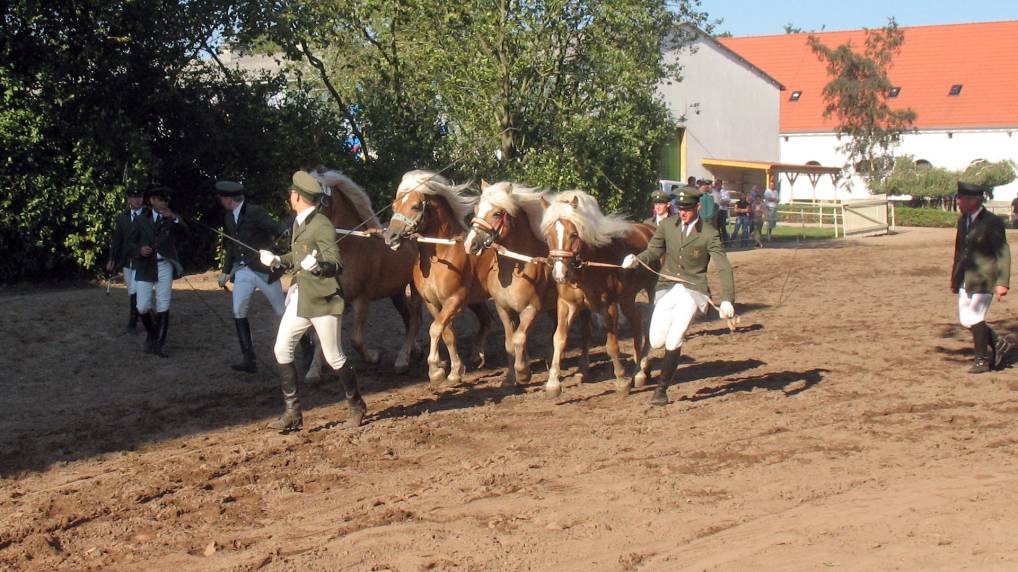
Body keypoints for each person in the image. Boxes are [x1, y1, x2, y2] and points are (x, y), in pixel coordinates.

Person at [258, 170, 365, 433]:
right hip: (300, 297)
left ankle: (356, 404)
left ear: (297, 197)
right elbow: (298, 256)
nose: (289, 196)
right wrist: (278, 261)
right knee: (282, 349)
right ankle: (292, 413)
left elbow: (336, 264)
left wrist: (318, 266)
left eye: (291, 193)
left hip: (322, 298)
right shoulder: (299, 222)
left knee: (333, 356)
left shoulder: (322, 225)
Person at [622, 186, 735, 406]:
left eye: (688, 208)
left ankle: (661, 390)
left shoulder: (709, 233)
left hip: (693, 290)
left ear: (698, 207)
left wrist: (728, 298)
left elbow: (723, 266)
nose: (683, 212)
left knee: (674, 339)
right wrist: (637, 259)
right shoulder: (667, 226)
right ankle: (663, 377)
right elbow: (653, 251)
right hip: (668, 287)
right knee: (655, 340)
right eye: (681, 208)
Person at [215, 180, 288, 373]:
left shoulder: (256, 212)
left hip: (263, 270)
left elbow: (275, 228)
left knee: (282, 310)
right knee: (238, 309)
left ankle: (307, 348)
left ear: (229, 199)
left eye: (222, 198)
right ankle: (249, 358)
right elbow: (231, 245)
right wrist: (225, 271)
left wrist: (283, 233)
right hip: (243, 271)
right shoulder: (229, 217)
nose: (221, 201)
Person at [951, 182, 1011, 373]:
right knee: (965, 320)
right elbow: (959, 251)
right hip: (964, 278)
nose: (958, 202)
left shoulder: (992, 222)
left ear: (974, 200)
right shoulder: (963, 221)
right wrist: (954, 277)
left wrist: (1003, 282)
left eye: (961, 199)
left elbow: (1003, 253)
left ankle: (981, 361)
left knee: (976, 316)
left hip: (985, 277)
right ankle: (998, 341)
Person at [131, 186, 189, 357]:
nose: (164, 203)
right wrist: (139, 250)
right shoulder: (141, 220)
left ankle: (159, 344)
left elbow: (186, 234)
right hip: (145, 266)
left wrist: (176, 219)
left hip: (164, 265)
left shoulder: (172, 219)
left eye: (166, 200)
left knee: (163, 303)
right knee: (141, 306)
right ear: (152, 201)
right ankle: (152, 333)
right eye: (160, 199)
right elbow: (130, 243)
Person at [106, 186, 146, 333]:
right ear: (129, 199)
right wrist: (112, 258)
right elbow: (117, 240)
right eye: (134, 197)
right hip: (126, 260)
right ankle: (142, 315)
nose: (137, 199)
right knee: (131, 290)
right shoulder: (123, 217)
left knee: (136, 289)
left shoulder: (148, 215)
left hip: (141, 259)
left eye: (140, 196)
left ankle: (133, 321)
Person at [714, 179, 731, 246]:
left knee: (723, 227)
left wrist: (718, 201)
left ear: (721, 184)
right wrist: (720, 201)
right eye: (715, 183)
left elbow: (727, 202)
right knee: (716, 228)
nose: (716, 185)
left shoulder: (725, 192)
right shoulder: (713, 192)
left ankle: (726, 243)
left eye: (717, 183)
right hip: (714, 211)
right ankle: (718, 243)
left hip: (722, 211)